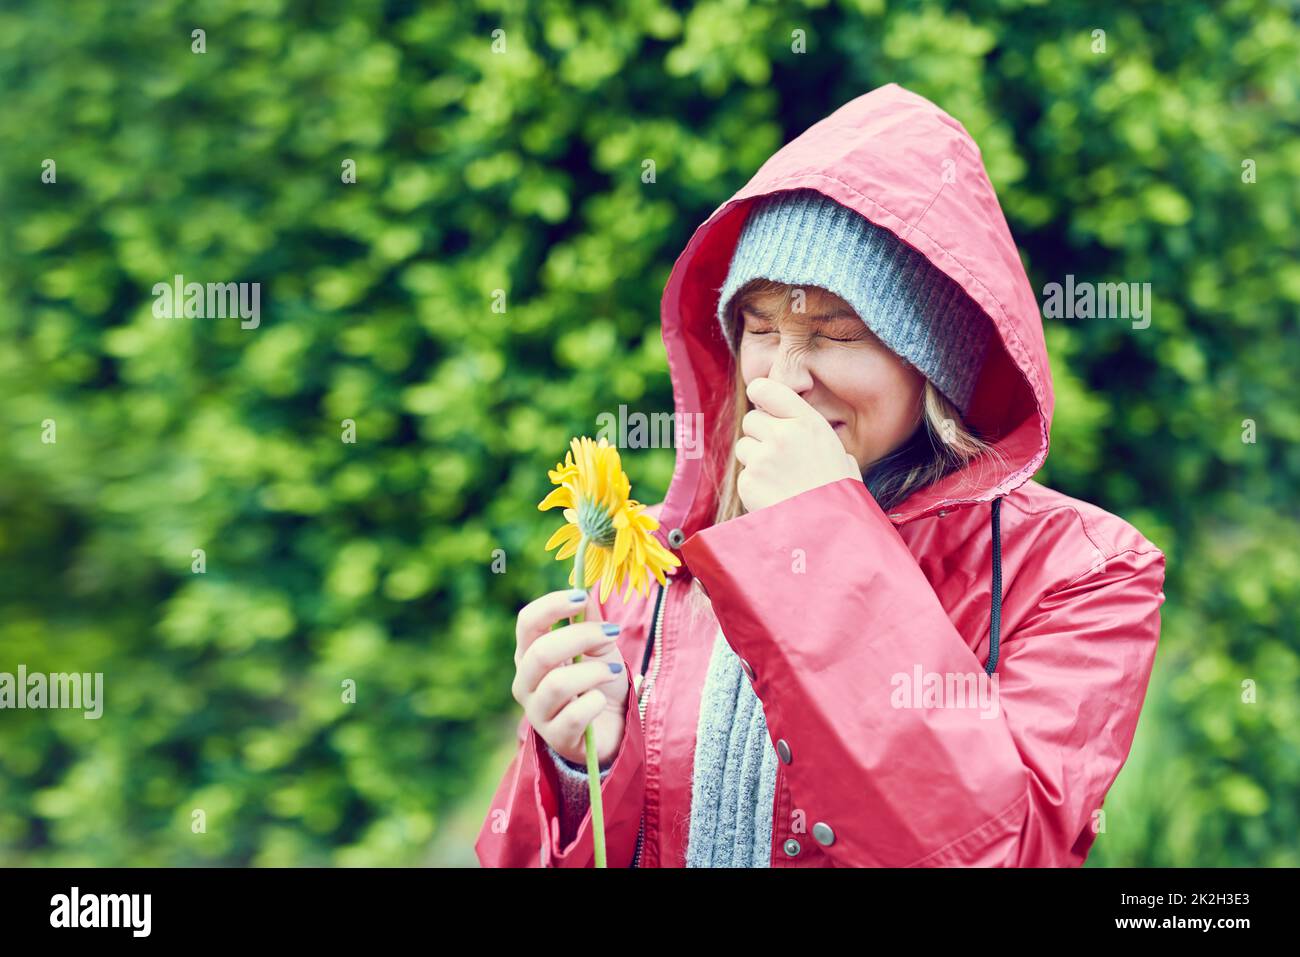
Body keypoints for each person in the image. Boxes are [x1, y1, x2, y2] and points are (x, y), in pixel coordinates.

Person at [475, 82, 1166, 868]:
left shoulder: (1084, 573)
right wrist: (581, 774)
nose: (787, 376)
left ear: (934, 366)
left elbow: (1001, 851)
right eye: (759, 329)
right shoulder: (654, 565)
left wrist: (819, 537)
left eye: (836, 335)